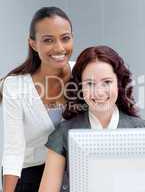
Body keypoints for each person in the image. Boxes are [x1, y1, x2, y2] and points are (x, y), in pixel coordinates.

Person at [39, 45, 145, 192]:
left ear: (119, 83)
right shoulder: (64, 133)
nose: (99, 92)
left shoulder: (140, 130)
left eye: (107, 82)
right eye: (90, 84)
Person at [1, 6, 74, 192]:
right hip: (31, 176)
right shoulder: (15, 86)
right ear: (33, 44)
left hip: (76, 174)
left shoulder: (83, 73)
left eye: (65, 38)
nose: (59, 47)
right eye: (48, 40)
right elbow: (13, 150)